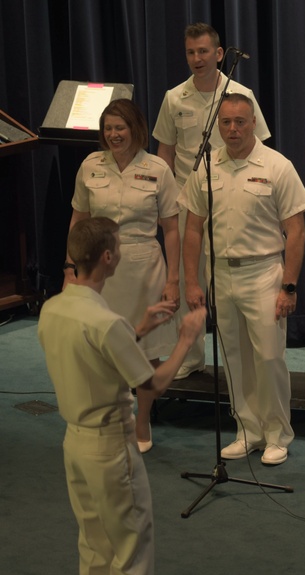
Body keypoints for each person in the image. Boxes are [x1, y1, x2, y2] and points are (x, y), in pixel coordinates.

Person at [39, 216, 206, 575]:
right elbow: (150, 384)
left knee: (94, 550)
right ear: (109, 258)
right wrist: (184, 340)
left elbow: (94, 354)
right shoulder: (105, 322)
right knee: (131, 555)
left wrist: (141, 328)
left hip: (74, 444)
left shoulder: (53, 308)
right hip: (111, 450)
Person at [180, 93, 305, 466]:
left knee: (269, 358)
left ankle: (277, 434)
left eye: (240, 122)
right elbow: (192, 229)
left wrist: (289, 285)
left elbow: (296, 230)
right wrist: (192, 281)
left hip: (263, 273)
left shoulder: (277, 165)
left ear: (254, 123)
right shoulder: (206, 167)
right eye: (225, 123)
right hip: (220, 272)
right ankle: (247, 430)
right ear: (217, 125)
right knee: (234, 358)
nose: (233, 129)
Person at [153, 21, 272, 380]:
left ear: (219, 54)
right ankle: (189, 357)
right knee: (189, 279)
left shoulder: (240, 92)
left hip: (232, 198)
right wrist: (169, 202)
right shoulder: (175, 97)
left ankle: (238, 360)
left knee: (226, 283)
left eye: (203, 51)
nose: (197, 59)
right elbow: (165, 151)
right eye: (190, 52)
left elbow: (261, 145)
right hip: (188, 203)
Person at [66, 98, 181, 454]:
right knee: (100, 348)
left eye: (120, 127)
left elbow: (172, 229)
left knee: (145, 351)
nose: (114, 135)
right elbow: (78, 221)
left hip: (144, 265)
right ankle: (109, 418)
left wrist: (173, 279)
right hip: (98, 270)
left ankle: (142, 419)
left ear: (136, 129)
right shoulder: (90, 166)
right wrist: (70, 268)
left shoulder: (158, 168)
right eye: (108, 128)